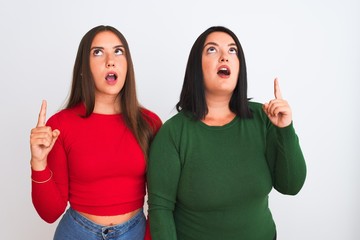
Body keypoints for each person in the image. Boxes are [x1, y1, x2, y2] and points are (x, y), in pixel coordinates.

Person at [147, 26, 306, 240]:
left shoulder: (264, 117)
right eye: (212, 50)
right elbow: (160, 211)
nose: (225, 56)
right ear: (196, 67)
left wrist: (285, 129)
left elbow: (291, 186)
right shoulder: (173, 133)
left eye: (233, 51)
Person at [30, 25, 162, 240]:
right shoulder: (60, 125)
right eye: (98, 52)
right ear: (83, 67)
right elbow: (50, 213)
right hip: (77, 233)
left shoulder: (150, 124)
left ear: (127, 64)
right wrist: (38, 163)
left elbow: (161, 203)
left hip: (135, 233)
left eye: (118, 51)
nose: (110, 60)